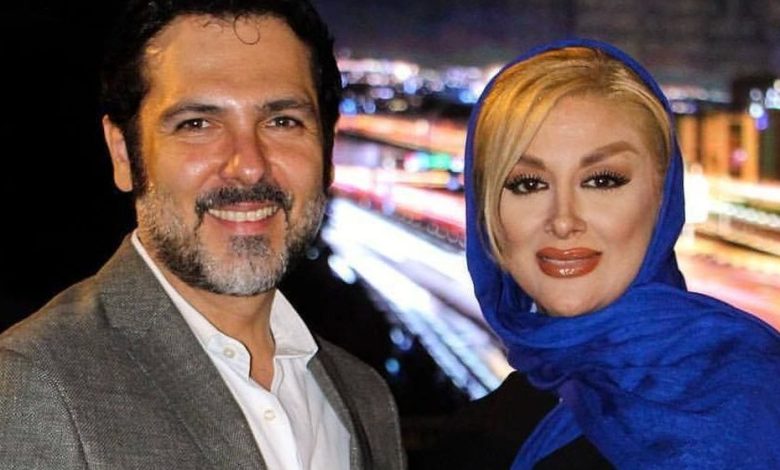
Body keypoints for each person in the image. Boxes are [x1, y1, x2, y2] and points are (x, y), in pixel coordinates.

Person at [0, 0, 405, 468]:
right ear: (124, 154)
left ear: (328, 149)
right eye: (197, 124)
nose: (249, 165)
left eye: (282, 121)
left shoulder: (365, 400)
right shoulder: (35, 383)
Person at [426, 39, 780, 469]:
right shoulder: (473, 442)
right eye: (527, 184)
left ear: (662, 197)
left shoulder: (757, 396)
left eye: (602, 180)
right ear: (488, 216)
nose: (563, 220)